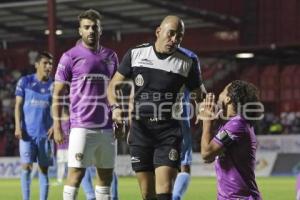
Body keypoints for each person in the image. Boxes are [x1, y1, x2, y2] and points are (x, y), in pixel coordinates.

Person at [107, 15, 205, 200]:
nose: (174, 39)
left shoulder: (186, 62)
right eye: (171, 34)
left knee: (165, 191)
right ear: (158, 31)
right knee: (147, 194)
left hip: (168, 133)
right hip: (140, 132)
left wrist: (202, 108)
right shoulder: (136, 54)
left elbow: (199, 94)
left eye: (179, 36)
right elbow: (113, 85)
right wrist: (116, 108)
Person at [52, 9, 119, 200]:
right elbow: (57, 93)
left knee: (105, 178)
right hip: (81, 126)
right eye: (86, 27)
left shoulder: (111, 56)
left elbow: (116, 90)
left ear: (101, 29)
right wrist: (57, 125)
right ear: (80, 30)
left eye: (94, 27)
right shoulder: (69, 56)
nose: (91, 30)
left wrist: (120, 116)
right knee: (76, 175)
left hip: (107, 128)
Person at [199, 80, 262, 199]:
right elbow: (209, 158)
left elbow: (206, 154)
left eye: (222, 92)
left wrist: (206, 120)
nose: (219, 95)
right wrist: (212, 123)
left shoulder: (237, 125)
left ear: (228, 99)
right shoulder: (231, 125)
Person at [14, 51, 54, 200]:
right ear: (37, 64)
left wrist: (55, 125)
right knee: (26, 168)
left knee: (44, 170)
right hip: (27, 134)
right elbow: (18, 106)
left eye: (50, 63)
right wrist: (18, 126)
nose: (48, 66)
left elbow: (59, 108)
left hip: (45, 135)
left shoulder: (54, 85)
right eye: (45, 63)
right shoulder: (25, 81)